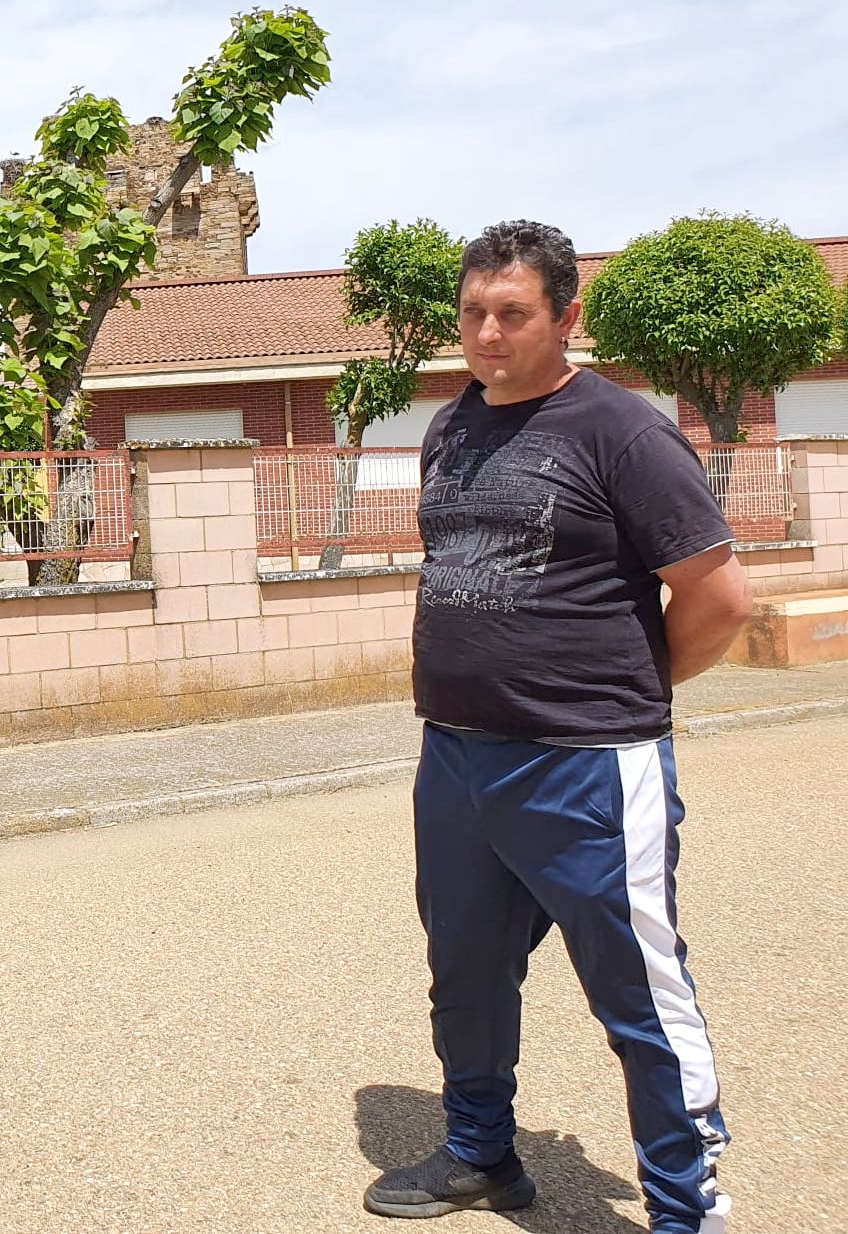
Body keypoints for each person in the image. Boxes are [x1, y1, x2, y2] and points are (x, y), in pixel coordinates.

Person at [362, 222, 753, 1234]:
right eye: (473, 313)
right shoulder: (452, 428)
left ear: (565, 317)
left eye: (513, 314)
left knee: (639, 995)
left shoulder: (621, 431)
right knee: (466, 972)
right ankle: (481, 1151)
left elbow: (719, 597)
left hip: (585, 766)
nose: (487, 334)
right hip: (455, 757)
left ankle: (685, 1210)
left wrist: (624, 691)